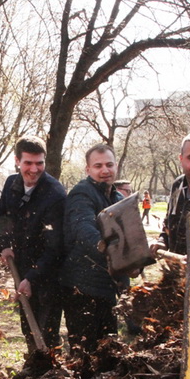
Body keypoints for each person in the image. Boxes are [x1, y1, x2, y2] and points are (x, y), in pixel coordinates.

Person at [0, 136, 67, 352]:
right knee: (28, 326)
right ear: (17, 161)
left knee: (46, 331)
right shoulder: (11, 184)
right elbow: (1, 217)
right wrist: (4, 245)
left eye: (39, 163)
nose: (34, 169)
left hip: (50, 272)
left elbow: (55, 246)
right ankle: (34, 366)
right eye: (28, 163)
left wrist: (31, 278)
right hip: (23, 265)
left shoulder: (55, 194)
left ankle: (50, 373)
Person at [60, 144, 127, 351]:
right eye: (98, 166)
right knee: (85, 353)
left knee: (107, 348)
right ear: (88, 170)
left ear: (116, 166)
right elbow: (84, 229)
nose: (105, 170)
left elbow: (129, 239)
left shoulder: (117, 198)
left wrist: (135, 263)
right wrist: (107, 249)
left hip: (107, 286)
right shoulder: (82, 193)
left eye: (109, 164)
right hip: (82, 287)